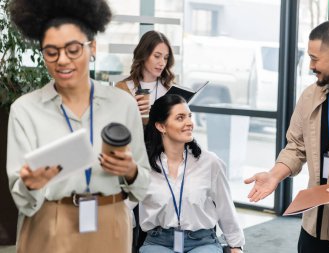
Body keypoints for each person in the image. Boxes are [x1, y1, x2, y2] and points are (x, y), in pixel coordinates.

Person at [7, 0, 150, 252]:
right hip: (48, 219)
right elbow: (22, 197)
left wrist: (130, 171)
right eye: (51, 52)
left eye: (73, 49)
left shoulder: (123, 104)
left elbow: (144, 185)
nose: (62, 60)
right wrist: (31, 183)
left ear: (92, 47)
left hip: (110, 221)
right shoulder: (25, 109)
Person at [244, 20, 329, 253]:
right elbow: (296, 146)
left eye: (315, 58)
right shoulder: (310, 96)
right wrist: (275, 175)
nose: (310, 65)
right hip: (313, 223)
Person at [139, 94, 245, 253]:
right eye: (180, 118)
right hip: (158, 242)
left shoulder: (210, 162)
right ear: (161, 126)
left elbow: (225, 207)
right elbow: (124, 209)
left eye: (189, 116)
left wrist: (236, 246)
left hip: (202, 243)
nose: (189, 123)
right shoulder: (144, 165)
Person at [116, 30, 175, 122]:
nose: (162, 63)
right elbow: (115, 125)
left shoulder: (171, 89)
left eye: (166, 58)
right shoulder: (122, 88)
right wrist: (131, 109)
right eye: (157, 56)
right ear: (143, 55)